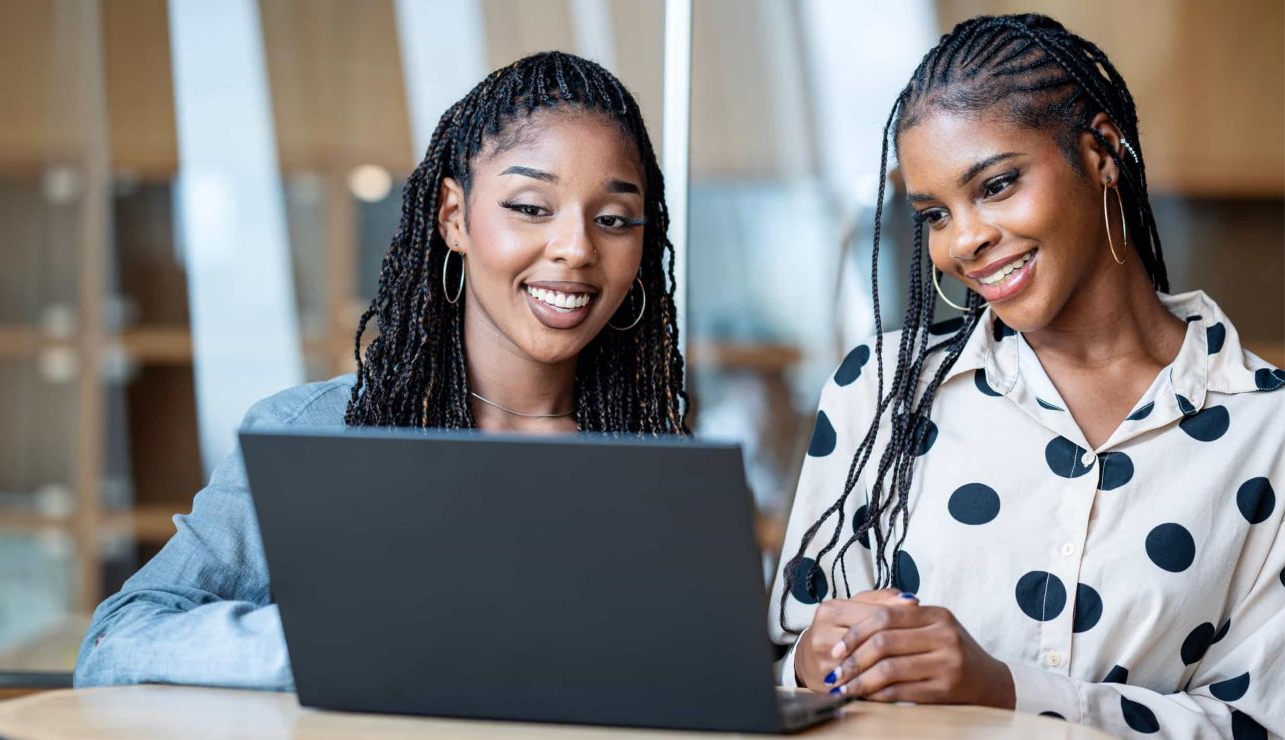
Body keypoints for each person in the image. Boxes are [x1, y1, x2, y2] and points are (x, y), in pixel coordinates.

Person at [75, 51, 687, 690]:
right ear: (454, 217)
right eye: (532, 208)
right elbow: (118, 642)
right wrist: (349, 637)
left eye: (613, 220)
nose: (577, 247)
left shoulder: (655, 456)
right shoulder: (313, 432)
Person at [770, 14, 1282, 738]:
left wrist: (1007, 690)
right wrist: (809, 661)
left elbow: (1261, 721)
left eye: (998, 184)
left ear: (1102, 150)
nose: (964, 241)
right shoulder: (880, 390)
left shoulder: (1268, 430)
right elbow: (780, 664)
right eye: (934, 215)